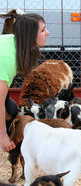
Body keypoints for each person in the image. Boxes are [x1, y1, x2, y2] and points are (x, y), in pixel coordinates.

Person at [0, 13, 50, 152]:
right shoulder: (7, 57)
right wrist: (3, 135)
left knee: (10, 107)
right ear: (29, 36)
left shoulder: (14, 42)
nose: (47, 32)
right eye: (42, 30)